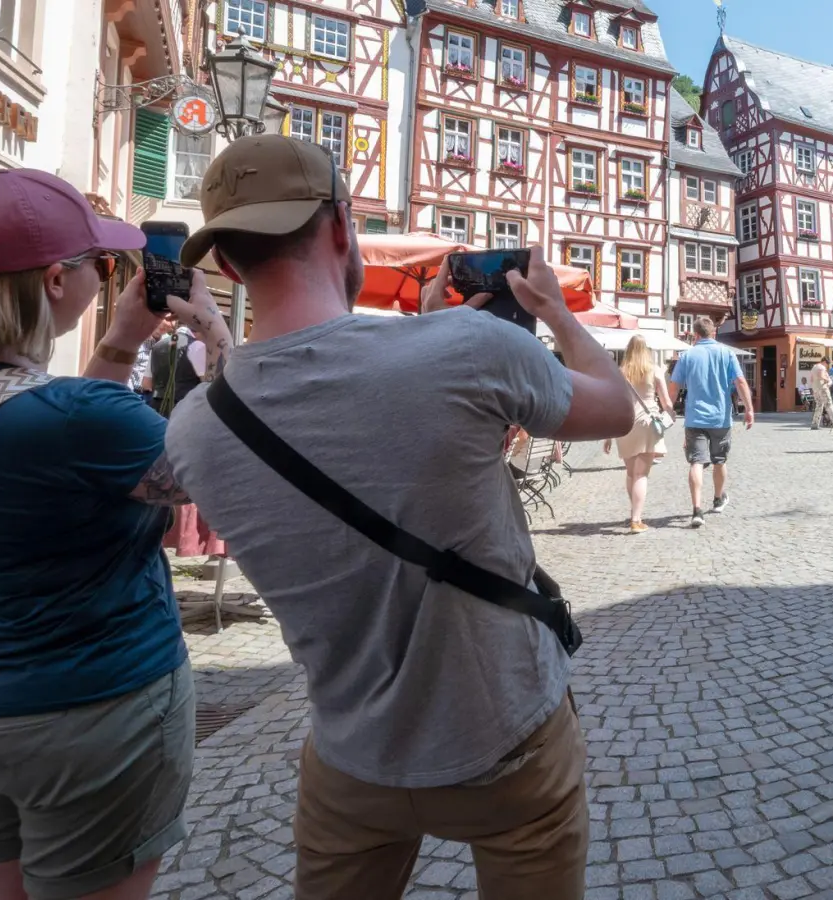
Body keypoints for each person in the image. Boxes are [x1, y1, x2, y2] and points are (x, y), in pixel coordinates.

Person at [162, 135, 634, 899]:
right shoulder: (471, 345)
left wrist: (152, 343)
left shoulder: (194, 429)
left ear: (223, 263)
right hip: (507, 736)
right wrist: (550, 310)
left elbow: (289, 388)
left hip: (354, 758)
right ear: (342, 228)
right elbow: (615, 409)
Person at [0, 169, 230, 900]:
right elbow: (220, 473)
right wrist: (217, 337)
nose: (110, 279)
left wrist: (123, 342)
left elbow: (59, 435)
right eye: (99, 266)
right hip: (91, 715)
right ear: (55, 283)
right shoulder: (78, 419)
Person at [669, 317, 753, 528]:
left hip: (695, 417)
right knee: (719, 460)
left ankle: (697, 510)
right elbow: (740, 381)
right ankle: (717, 499)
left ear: (695, 335)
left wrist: (668, 408)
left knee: (696, 462)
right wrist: (749, 409)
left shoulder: (687, 356)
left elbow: (674, 385)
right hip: (720, 417)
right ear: (713, 333)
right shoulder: (727, 353)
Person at [604, 333, 675, 533]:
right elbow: (666, 402)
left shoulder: (620, 372)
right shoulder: (655, 370)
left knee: (630, 473)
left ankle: (634, 512)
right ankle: (636, 519)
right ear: (646, 351)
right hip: (647, 423)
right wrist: (670, 414)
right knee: (641, 474)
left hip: (625, 425)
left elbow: (613, 404)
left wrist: (608, 434)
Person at [808, 356, 833, 430]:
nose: (827, 365)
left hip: (815, 389)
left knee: (819, 405)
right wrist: (827, 380)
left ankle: (815, 424)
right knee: (829, 404)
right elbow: (821, 376)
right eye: (827, 363)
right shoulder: (822, 367)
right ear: (824, 361)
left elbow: (811, 379)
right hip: (823, 388)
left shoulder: (814, 367)